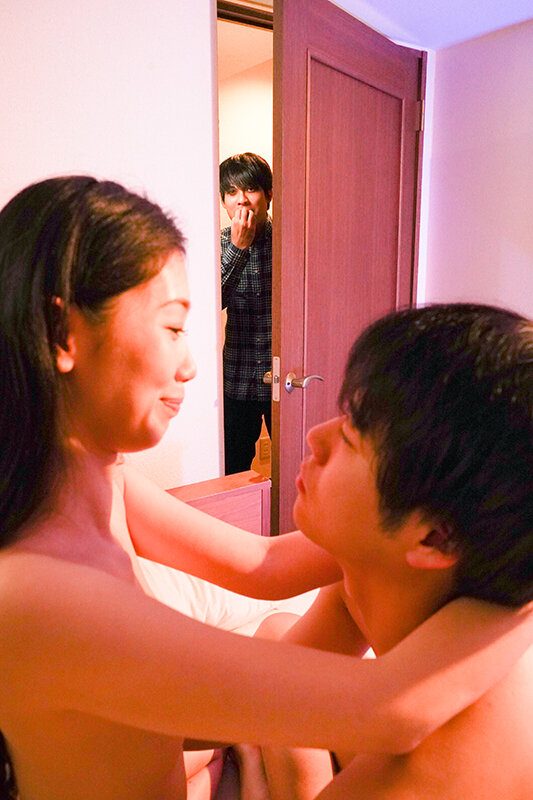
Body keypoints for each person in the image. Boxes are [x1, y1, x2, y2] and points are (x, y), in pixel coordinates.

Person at [0, 178, 532, 800]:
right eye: (173, 328)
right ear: (63, 335)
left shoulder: (105, 481)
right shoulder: (36, 591)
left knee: (274, 634)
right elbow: (387, 708)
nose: (190, 366)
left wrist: (498, 528)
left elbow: (263, 565)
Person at [262, 303, 533, 799]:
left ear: (434, 538)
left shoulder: (442, 765)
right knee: (274, 629)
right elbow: (265, 689)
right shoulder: (373, 572)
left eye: (350, 437)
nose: (315, 438)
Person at [219, 152, 272, 474]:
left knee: (299, 464)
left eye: (251, 189)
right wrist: (238, 248)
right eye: (232, 192)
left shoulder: (291, 243)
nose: (242, 200)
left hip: (285, 379)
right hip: (237, 379)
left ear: (269, 195)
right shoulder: (217, 246)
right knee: (233, 468)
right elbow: (213, 304)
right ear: (223, 201)